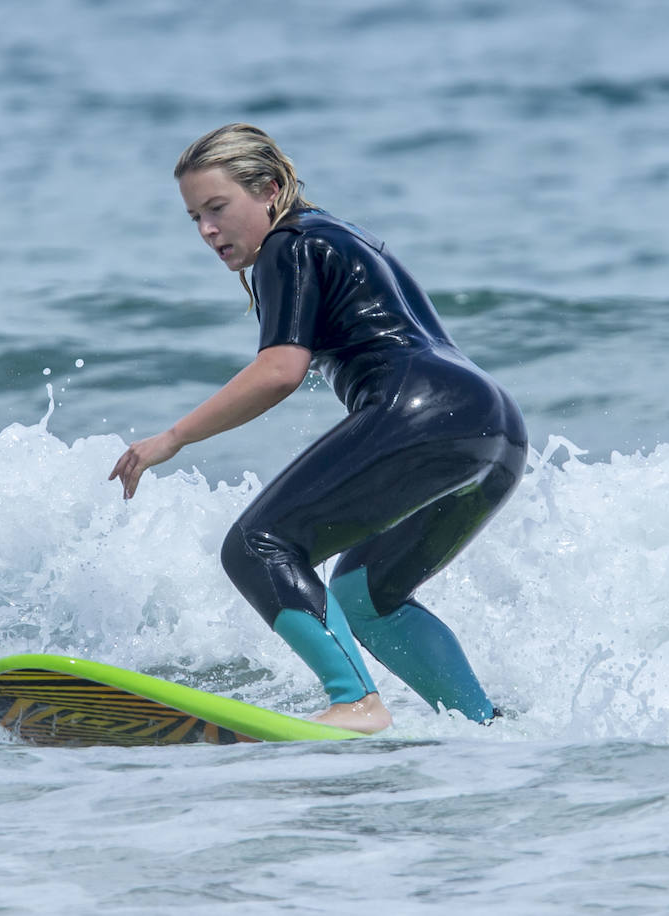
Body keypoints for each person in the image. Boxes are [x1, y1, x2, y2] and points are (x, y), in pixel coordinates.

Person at [108, 123, 527, 733]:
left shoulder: (289, 244)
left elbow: (280, 370)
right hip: (494, 429)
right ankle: (484, 726)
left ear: (270, 190)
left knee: (257, 547)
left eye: (218, 209)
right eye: (194, 216)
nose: (207, 230)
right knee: (364, 596)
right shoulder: (338, 233)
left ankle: (356, 704)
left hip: (425, 411)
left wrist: (171, 438)